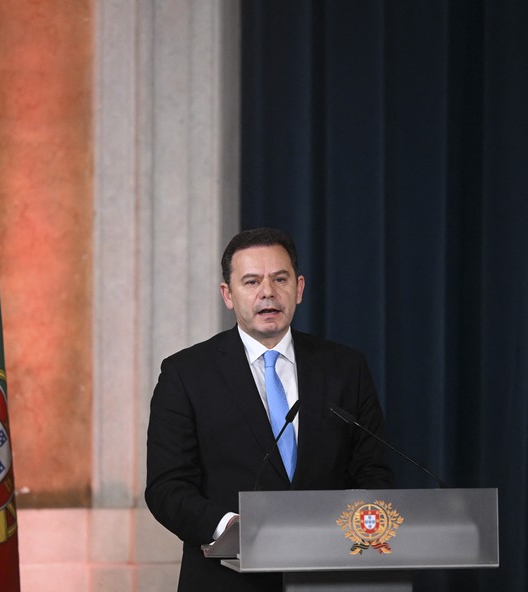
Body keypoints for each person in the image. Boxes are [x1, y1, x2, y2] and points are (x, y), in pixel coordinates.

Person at [145, 228, 394, 592]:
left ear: (300, 288)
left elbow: (373, 470)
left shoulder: (344, 368)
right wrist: (230, 528)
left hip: (331, 575)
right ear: (227, 295)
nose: (268, 292)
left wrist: (347, 530)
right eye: (251, 281)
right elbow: (167, 486)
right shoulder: (186, 374)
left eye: (280, 279)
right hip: (227, 579)